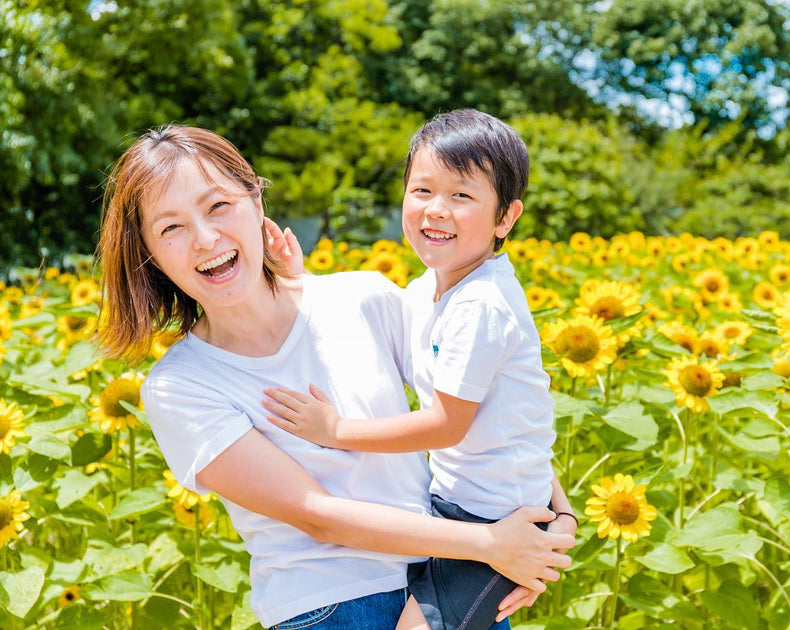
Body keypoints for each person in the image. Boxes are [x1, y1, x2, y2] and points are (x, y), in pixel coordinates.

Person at [95, 125, 575, 630]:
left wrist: (551, 518)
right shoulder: (182, 386)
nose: (206, 239)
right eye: (171, 228)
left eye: (218, 206)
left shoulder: (362, 298)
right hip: (333, 607)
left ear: (256, 203)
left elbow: (484, 398)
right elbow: (317, 515)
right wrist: (491, 542)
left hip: (451, 576)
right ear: (147, 251)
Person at [261, 109, 575, 630]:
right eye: (422, 190)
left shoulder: (481, 305)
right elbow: (367, 324)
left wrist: (335, 431)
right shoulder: (430, 288)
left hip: (500, 517)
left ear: (505, 218)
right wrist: (299, 279)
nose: (437, 209)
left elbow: (447, 425)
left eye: (462, 195)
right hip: (460, 508)